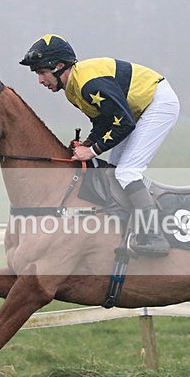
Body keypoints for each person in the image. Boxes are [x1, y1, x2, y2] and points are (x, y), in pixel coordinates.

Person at [19, 34, 180, 256]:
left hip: (157, 103)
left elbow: (124, 123)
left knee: (127, 172)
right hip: (134, 111)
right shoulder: (72, 90)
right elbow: (104, 122)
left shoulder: (88, 84)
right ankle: (128, 224)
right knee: (112, 173)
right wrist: (85, 144)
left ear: (58, 66)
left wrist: (92, 150)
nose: (40, 81)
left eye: (42, 72)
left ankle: (154, 237)